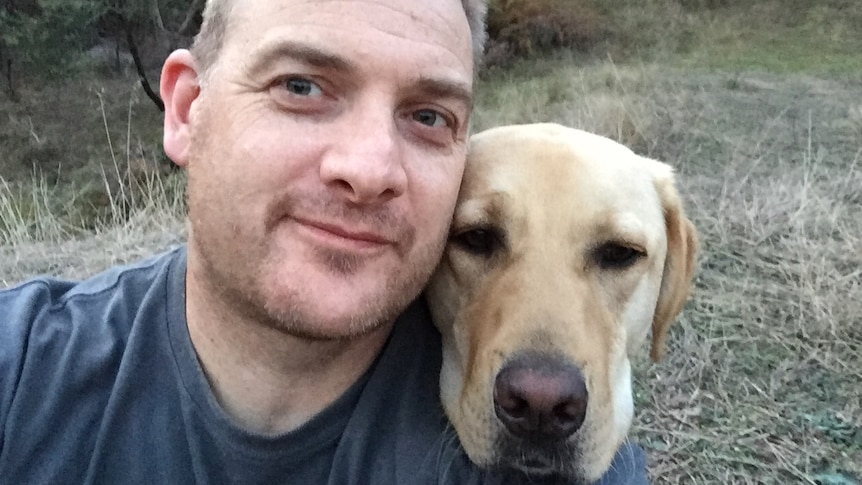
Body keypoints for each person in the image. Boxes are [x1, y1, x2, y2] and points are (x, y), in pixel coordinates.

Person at [0, 0, 649, 483]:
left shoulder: (538, 445)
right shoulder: (20, 371)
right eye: (301, 86)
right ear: (186, 109)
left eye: (428, 116)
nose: (369, 170)